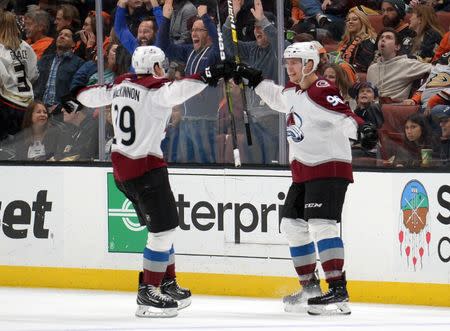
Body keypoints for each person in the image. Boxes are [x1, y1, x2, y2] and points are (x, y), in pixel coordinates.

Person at [75, 45, 233, 317]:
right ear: (158, 67)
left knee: (162, 228)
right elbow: (182, 88)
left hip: (123, 171)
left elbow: (88, 95)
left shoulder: (121, 84)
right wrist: (210, 74)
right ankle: (148, 291)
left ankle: (166, 282)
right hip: (146, 170)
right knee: (162, 232)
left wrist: (73, 96)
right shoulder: (156, 91)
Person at [234, 42, 377, 315]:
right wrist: (253, 78)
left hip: (328, 168)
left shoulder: (320, 90)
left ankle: (337, 291)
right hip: (304, 171)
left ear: (310, 64)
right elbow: (277, 97)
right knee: (291, 224)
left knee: (322, 225)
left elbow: (343, 116)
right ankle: (310, 288)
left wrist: (363, 130)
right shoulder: (294, 91)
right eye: (287, 62)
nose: (289, 67)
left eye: (295, 62)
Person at [0, 10, 39, 140]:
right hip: (27, 103)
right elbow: (33, 75)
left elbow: (2, 78)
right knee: (24, 143)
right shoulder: (26, 46)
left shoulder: (0, 48)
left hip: (7, 103)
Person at [367, 28, 431, 102]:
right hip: (373, 107)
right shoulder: (371, 69)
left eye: (388, 38)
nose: (383, 39)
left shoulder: (407, 64)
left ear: (397, 47)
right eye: (381, 37)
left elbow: (436, 69)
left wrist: (417, 97)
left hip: (395, 108)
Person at [337, 6, 376, 73]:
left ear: (363, 22)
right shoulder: (344, 42)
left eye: (354, 19)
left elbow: (363, 67)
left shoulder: (369, 41)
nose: (350, 22)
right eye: (348, 20)